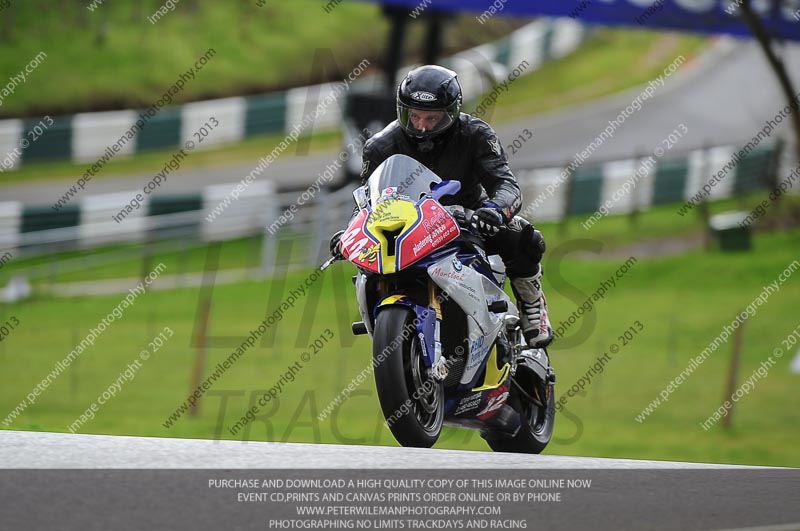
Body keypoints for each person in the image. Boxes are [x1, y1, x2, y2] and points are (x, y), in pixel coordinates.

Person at [331, 65, 553, 348]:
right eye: (415, 116)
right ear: (403, 111)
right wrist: (349, 232)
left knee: (524, 236)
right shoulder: (380, 146)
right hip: (404, 230)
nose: (421, 125)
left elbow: (506, 184)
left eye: (432, 118)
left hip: (467, 220)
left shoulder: (476, 134)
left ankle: (531, 304)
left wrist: (496, 210)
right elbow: (365, 200)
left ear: (450, 113)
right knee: (366, 269)